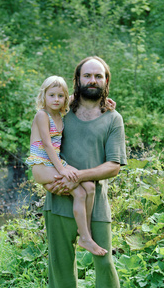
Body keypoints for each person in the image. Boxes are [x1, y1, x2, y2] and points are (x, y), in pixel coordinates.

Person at [43, 56, 127, 288]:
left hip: (95, 202)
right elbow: (43, 147)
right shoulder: (61, 115)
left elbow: (113, 166)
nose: (93, 81)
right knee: (62, 260)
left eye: (98, 76)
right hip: (59, 197)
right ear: (77, 80)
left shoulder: (113, 119)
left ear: (106, 81)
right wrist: (49, 181)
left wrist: (78, 176)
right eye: (87, 76)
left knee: (104, 258)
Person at [26, 76, 108, 256]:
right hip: (42, 164)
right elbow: (47, 145)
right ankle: (85, 238)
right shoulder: (42, 115)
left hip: (55, 164)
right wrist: (62, 170)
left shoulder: (60, 113)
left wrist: (104, 101)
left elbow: (76, 97)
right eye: (51, 95)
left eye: (60, 96)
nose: (56, 99)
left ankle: (84, 231)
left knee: (89, 185)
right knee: (78, 192)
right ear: (44, 96)